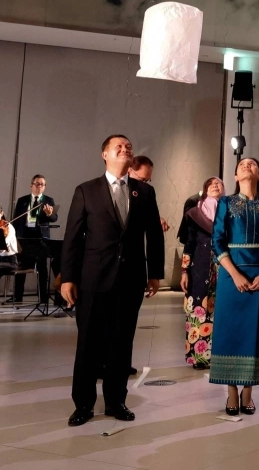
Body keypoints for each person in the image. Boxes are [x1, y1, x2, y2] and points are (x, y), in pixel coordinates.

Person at [61, 135, 164, 426]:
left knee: (122, 343)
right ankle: (83, 405)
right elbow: (72, 238)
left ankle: (116, 401)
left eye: (128, 146)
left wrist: (155, 272)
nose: (125, 149)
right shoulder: (86, 190)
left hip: (130, 279)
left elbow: (154, 235)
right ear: (104, 154)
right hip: (93, 279)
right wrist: (68, 277)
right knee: (89, 345)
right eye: (118, 146)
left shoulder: (144, 192)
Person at [209, 158, 259, 415]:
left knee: (254, 333)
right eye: (242, 165)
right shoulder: (225, 203)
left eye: (252, 164)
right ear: (234, 175)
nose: (247, 166)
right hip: (232, 275)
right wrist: (234, 275)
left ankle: (248, 392)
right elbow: (217, 240)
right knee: (229, 332)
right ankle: (231, 392)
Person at [180, 177, 224, 370]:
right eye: (210, 184)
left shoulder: (229, 212)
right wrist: (184, 271)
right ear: (205, 189)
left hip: (224, 268)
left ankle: (221, 356)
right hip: (199, 268)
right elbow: (188, 245)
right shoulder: (194, 214)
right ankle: (200, 357)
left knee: (221, 311)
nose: (215, 186)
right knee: (200, 311)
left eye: (218, 184)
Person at [9, 174, 57, 304]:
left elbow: (54, 218)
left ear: (45, 187)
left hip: (40, 237)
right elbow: (16, 220)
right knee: (21, 267)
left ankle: (43, 298)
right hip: (24, 237)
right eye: (37, 183)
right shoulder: (22, 200)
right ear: (31, 185)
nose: (39, 186)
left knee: (42, 268)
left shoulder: (49, 200)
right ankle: (17, 297)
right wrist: (14, 238)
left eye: (42, 184)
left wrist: (50, 214)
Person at [129, 156, 171, 234]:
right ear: (129, 171)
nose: (144, 184)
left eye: (147, 180)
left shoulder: (146, 192)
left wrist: (156, 220)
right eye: (142, 180)